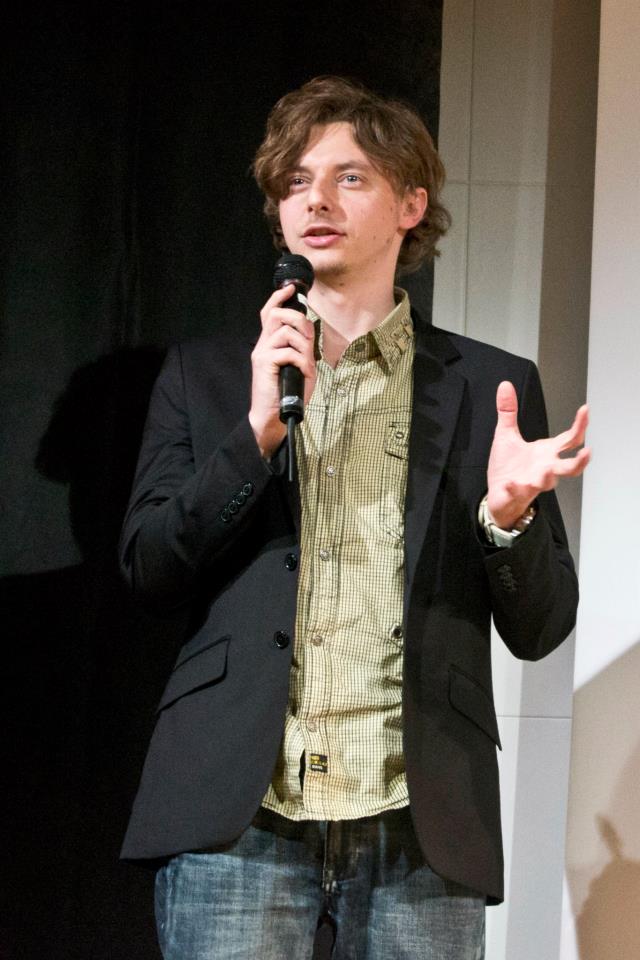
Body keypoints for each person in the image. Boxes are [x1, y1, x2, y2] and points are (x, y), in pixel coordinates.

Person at [119, 76, 590, 959]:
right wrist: (255, 434)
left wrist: (508, 520)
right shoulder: (209, 376)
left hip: (420, 825)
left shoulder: (491, 384)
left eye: (350, 178)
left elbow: (542, 629)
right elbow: (148, 565)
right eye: (295, 182)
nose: (315, 201)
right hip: (240, 813)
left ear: (412, 203)